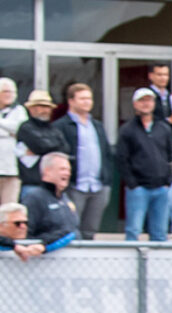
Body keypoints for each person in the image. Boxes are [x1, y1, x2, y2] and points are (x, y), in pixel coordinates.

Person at [117, 87, 172, 242]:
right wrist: (132, 184)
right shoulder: (127, 130)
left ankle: (158, 266)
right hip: (139, 189)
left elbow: (171, 156)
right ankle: (131, 265)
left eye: (149, 100)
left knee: (160, 233)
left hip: (161, 188)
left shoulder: (163, 128)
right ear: (135, 104)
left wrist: (168, 181)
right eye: (142, 100)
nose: (146, 104)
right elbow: (122, 159)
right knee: (133, 230)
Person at [54, 83, 112, 240]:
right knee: (70, 228)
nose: (87, 102)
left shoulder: (97, 125)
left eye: (89, 98)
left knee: (90, 230)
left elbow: (106, 153)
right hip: (75, 185)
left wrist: (107, 180)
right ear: (71, 101)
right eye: (82, 99)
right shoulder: (61, 126)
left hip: (97, 186)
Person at [18, 152, 81, 258]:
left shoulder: (65, 198)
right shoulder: (34, 198)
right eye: (62, 169)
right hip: (42, 263)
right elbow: (25, 234)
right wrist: (43, 246)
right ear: (47, 171)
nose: (68, 173)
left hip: (71, 263)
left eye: (69, 170)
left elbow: (72, 230)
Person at [14, 90, 70, 201]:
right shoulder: (25, 128)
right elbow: (40, 146)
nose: (45, 110)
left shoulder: (54, 129)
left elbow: (66, 149)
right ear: (31, 109)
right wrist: (53, 149)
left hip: (53, 186)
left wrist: (46, 149)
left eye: (47, 107)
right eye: (41, 106)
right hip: (32, 185)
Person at [0, 77, 27, 204]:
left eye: (12, 92)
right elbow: (12, 129)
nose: (10, 95)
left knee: (9, 208)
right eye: (6, 91)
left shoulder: (19, 111)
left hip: (12, 170)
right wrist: (8, 132)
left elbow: (19, 129)